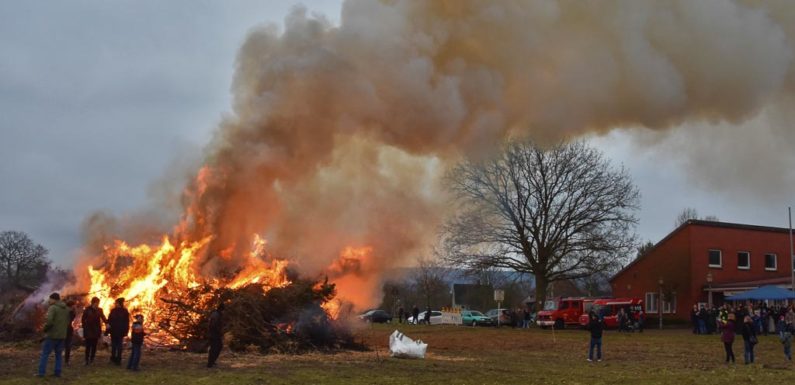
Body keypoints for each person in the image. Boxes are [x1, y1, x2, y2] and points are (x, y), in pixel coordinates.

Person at [37, 292, 69, 377]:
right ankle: (57, 373)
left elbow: (49, 321)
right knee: (58, 355)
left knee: (45, 354)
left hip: (52, 336)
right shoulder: (66, 308)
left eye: (50, 299)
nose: (49, 301)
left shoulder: (53, 308)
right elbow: (68, 322)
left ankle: (41, 373)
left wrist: (45, 329)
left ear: (54, 299)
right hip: (62, 336)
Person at [81, 296, 106, 365]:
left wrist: (107, 323)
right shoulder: (87, 309)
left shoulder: (100, 310)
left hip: (96, 330)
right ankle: (86, 360)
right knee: (88, 346)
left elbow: (103, 317)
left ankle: (92, 359)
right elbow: (83, 319)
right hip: (88, 330)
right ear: (93, 303)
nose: (98, 304)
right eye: (97, 303)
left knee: (94, 346)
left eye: (98, 303)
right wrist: (84, 326)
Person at [107, 297, 130, 365]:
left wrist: (126, 331)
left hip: (119, 331)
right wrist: (108, 329)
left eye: (116, 303)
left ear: (119, 303)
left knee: (118, 346)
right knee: (114, 345)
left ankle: (118, 359)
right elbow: (109, 320)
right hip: (114, 331)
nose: (115, 304)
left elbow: (126, 322)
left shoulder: (124, 311)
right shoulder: (113, 311)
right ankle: (114, 358)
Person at [207, 303, 224, 368]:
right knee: (214, 348)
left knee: (218, 347)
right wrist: (219, 332)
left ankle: (212, 362)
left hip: (214, 334)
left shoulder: (216, 314)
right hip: (214, 335)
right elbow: (213, 325)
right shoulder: (216, 315)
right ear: (221, 309)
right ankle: (210, 363)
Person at [64, 300, 76, 366]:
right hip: (65, 330)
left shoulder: (72, 312)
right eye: (74, 305)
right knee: (65, 345)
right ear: (71, 306)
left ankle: (66, 361)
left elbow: (72, 318)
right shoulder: (66, 312)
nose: (75, 306)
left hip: (68, 331)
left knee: (68, 346)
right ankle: (66, 361)